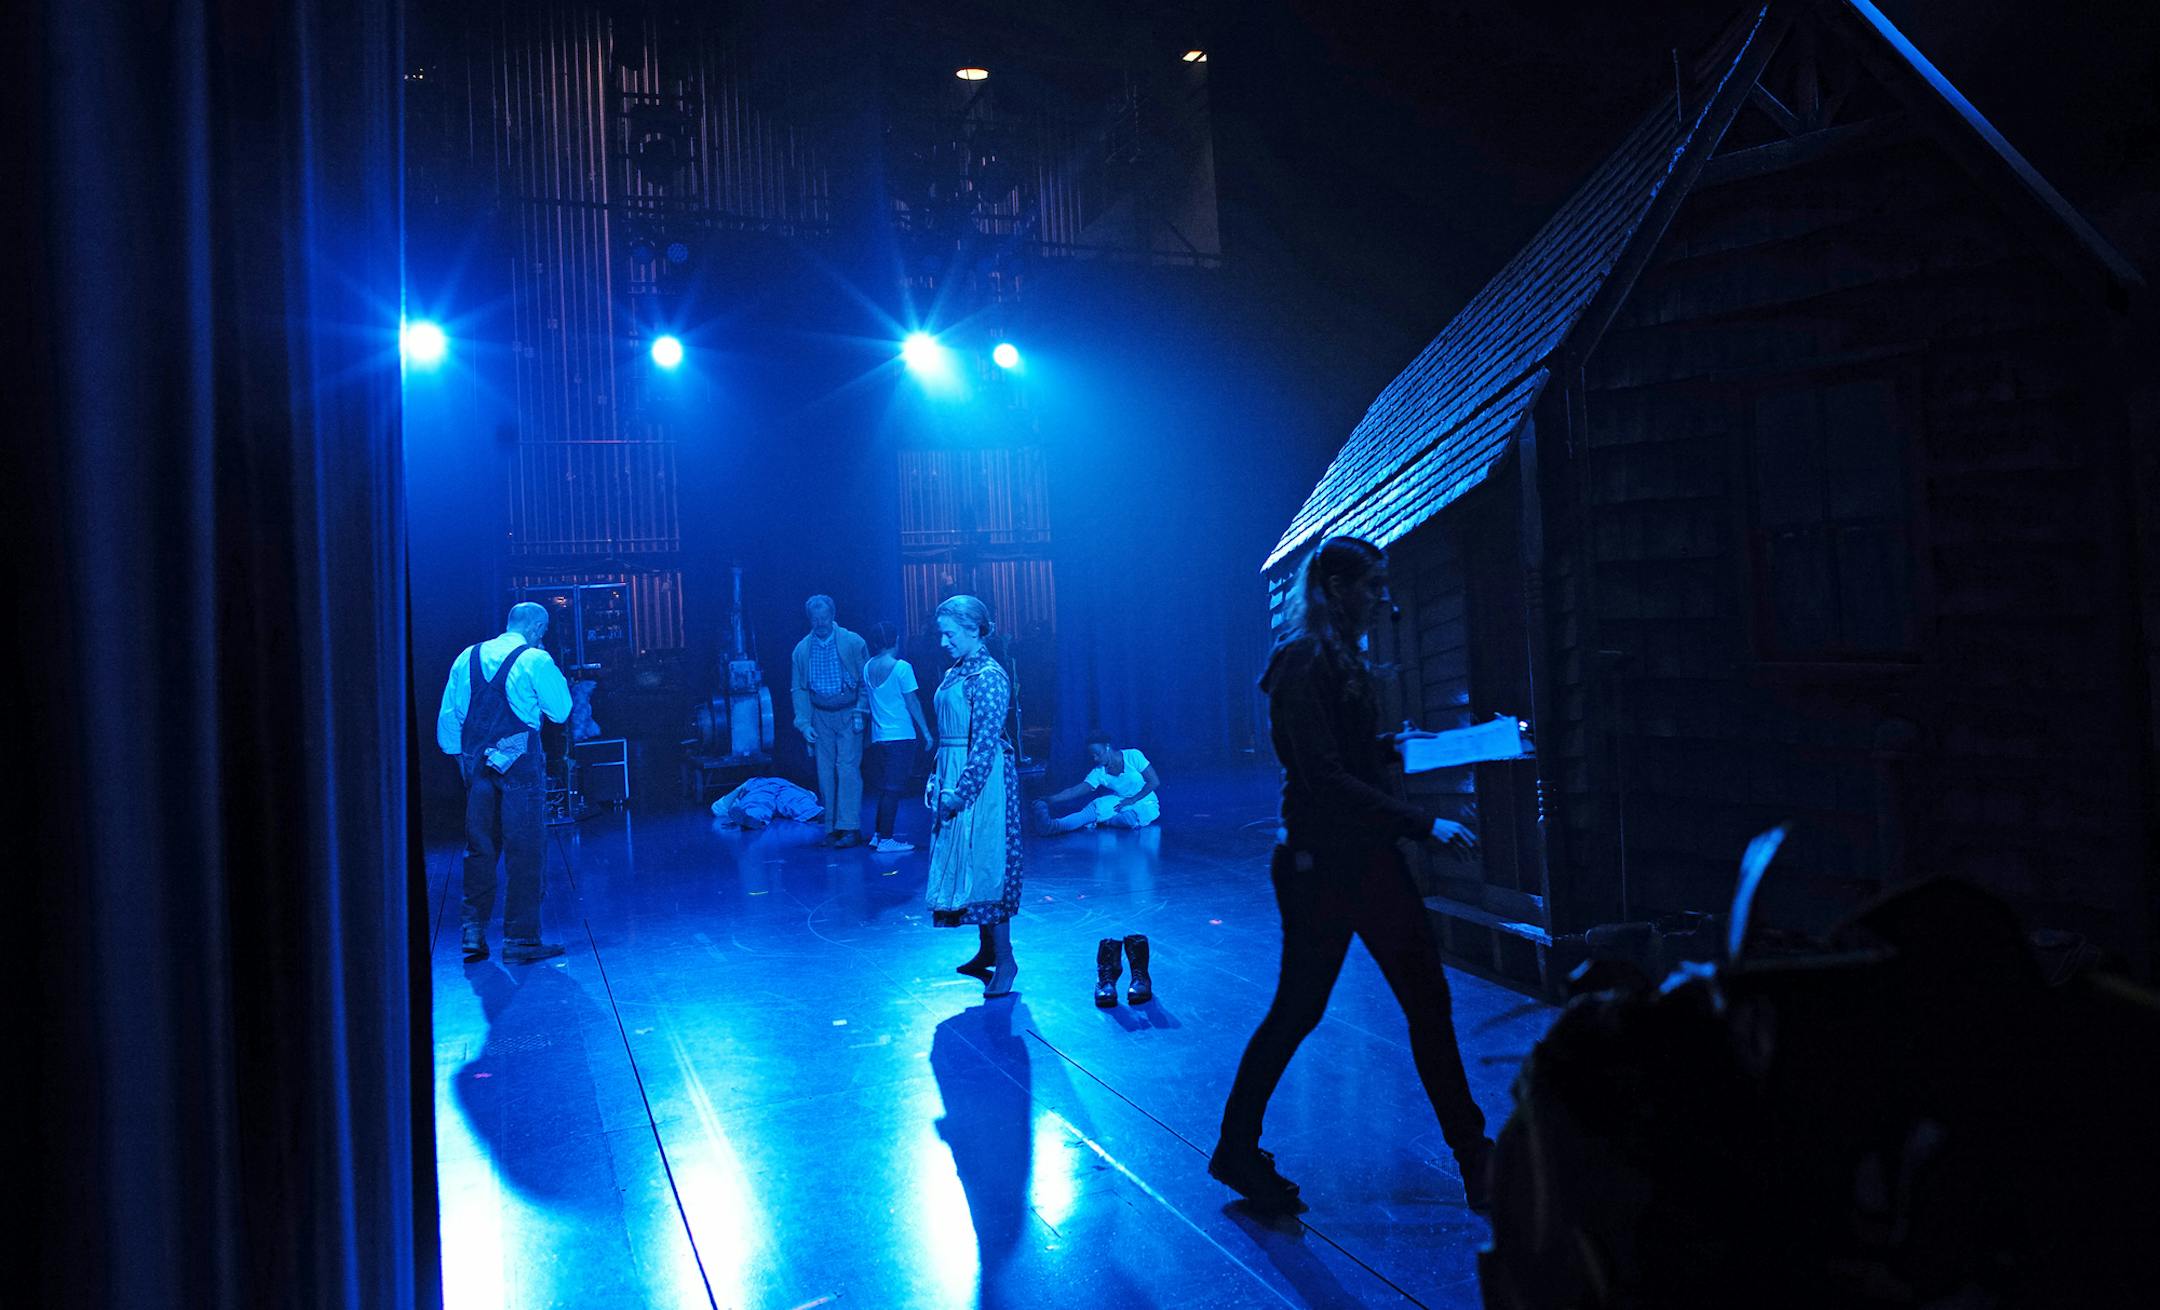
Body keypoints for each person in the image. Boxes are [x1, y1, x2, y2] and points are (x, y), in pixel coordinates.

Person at [1209, 535, 1495, 1215]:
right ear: (1336, 589)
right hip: (1324, 866)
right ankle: (1236, 1149)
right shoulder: (1302, 661)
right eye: (1370, 584)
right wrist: (1423, 824)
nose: (1381, 597)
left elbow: (1345, 756)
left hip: (1359, 859)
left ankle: (1477, 1160)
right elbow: (1324, 777)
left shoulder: (1331, 659)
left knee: (1420, 1005)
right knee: (1301, 1009)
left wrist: (1397, 748)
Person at [437, 601, 572, 964]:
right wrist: (545, 662)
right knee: (524, 849)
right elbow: (561, 710)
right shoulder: (535, 659)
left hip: (476, 765)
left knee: (479, 848)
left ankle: (473, 931)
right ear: (537, 628)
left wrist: (465, 764)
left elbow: (449, 722)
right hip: (521, 770)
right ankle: (521, 940)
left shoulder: (467, 657)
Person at [923, 595, 1024, 998]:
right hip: (953, 771)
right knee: (966, 863)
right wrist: (936, 775)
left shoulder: (988, 676)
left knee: (987, 865)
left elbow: (984, 744)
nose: (943, 641)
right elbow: (951, 733)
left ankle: (1006, 960)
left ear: (973, 629)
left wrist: (961, 793)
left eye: (949, 633)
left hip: (982, 785)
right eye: (941, 633)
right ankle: (985, 950)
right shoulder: (957, 671)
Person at [789, 594, 870, 848]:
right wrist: (803, 723)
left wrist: (860, 711)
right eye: (816, 618)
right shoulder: (802, 649)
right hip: (820, 715)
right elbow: (798, 689)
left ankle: (850, 827)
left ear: (833, 616)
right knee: (825, 772)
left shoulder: (852, 642)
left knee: (847, 769)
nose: (821, 622)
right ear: (810, 620)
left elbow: (865, 682)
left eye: (825, 617)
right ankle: (832, 827)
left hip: (848, 713)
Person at [863, 622, 935, 854]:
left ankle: (878, 834)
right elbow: (912, 701)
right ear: (895, 639)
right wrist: (925, 731)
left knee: (886, 787)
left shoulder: (868, 667)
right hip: (901, 735)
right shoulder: (901, 667)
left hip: (879, 736)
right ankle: (886, 838)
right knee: (893, 788)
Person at [1032, 729, 1162, 834]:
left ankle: (1104, 821)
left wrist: (1133, 800)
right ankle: (1053, 826)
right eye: (1092, 755)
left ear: (1107, 747)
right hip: (1121, 800)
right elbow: (1075, 790)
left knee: (1129, 819)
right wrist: (1050, 799)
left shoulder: (1133, 756)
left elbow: (1154, 782)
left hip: (1144, 800)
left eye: (1097, 754)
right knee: (1094, 809)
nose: (1095, 758)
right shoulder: (1099, 772)